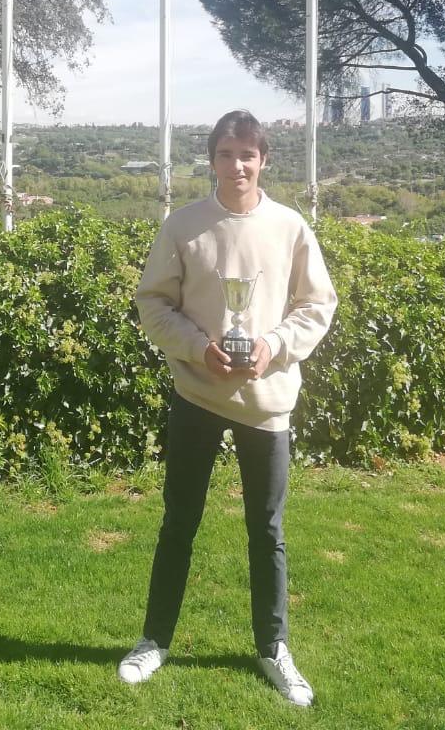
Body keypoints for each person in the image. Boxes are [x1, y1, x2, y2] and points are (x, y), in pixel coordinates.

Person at [118, 110, 338, 707]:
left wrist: (272, 346)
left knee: (266, 530)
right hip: (197, 393)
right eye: (225, 153)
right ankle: (153, 640)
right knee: (178, 521)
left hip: (267, 403)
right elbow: (153, 303)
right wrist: (198, 349)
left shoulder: (290, 227)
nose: (236, 165)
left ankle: (273, 649)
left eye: (247, 154)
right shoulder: (184, 226)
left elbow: (317, 306)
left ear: (263, 160)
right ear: (211, 159)